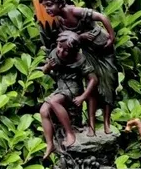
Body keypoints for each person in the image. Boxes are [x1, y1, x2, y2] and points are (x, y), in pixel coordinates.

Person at [37, 0, 117, 133]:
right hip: (88, 51)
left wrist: (111, 38)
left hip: (103, 48)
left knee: (109, 84)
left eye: (49, 5)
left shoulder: (74, 11)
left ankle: (107, 122)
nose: (47, 9)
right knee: (91, 86)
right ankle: (91, 125)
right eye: (45, 6)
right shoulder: (59, 20)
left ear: (60, 3)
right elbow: (70, 41)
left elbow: (103, 17)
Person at [39, 31, 98, 160]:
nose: (61, 51)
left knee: (54, 102)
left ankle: (70, 133)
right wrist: (49, 66)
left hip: (73, 89)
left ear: (73, 51)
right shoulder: (55, 53)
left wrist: (83, 96)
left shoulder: (80, 60)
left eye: (66, 50)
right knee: (43, 110)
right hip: (61, 88)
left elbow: (93, 79)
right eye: (59, 47)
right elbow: (44, 70)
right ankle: (50, 144)